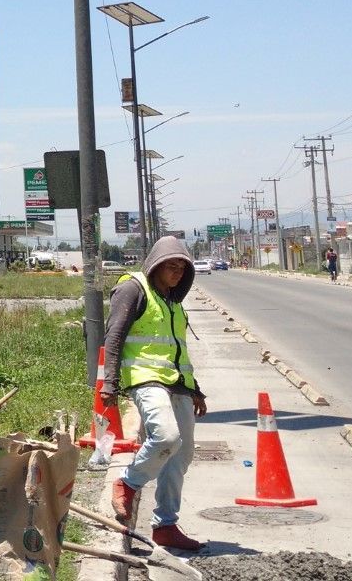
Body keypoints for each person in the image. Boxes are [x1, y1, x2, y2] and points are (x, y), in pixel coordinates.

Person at [101, 235, 208, 552]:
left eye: (181, 268)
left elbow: (179, 350)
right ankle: (129, 482)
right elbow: (115, 335)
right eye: (170, 266)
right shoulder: (133, 289)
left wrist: (196, 390)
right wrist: (109, 382)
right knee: (165, 437)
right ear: (156, 264)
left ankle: (165, 525)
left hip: (177, 384)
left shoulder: (172, 301)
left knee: (182, 453)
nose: (176, 273)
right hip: (145, 379)